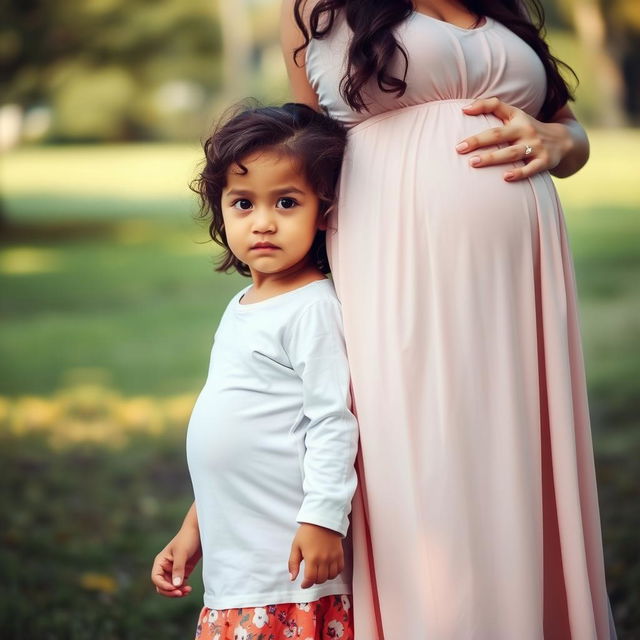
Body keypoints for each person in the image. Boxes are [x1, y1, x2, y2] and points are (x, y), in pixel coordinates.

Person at [280, 1, 617, 638]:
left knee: (519, 464)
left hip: (523, 287)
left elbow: (570, 133)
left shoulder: (502, 5)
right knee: (424, 463)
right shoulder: (314, 9)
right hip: (396, 268)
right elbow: (305, 148)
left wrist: (560, 140)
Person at [150, 103, 359, 640]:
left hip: (284, 569)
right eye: (243, 203)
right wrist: (193, 529)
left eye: (286, 202)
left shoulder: (312, 307)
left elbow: (332, 421)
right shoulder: (243, 303)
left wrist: (323, 521)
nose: (262, 222)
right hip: (235, 564)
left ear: (325, 210)